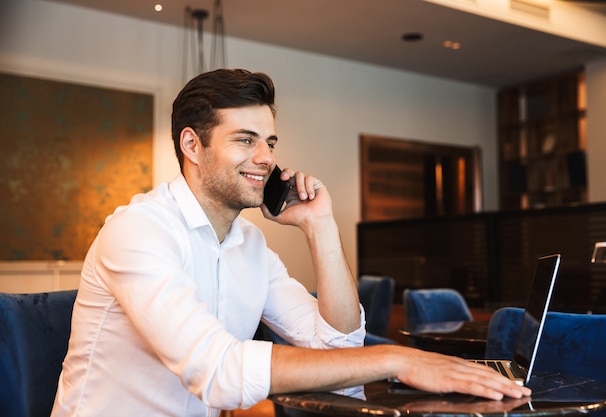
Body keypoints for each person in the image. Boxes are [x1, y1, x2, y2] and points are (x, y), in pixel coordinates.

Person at [51, 68, 530, 417]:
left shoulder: (250, 245)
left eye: (271, 142)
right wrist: (398, 359)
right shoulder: (138, 230)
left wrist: (320, 225)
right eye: (245, 140)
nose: (265, 158)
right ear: (192, 146)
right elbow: (215, 370)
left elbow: (337, 343)